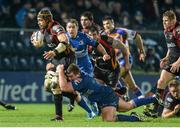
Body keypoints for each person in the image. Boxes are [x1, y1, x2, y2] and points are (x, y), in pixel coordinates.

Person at [58, 64, 163, 122]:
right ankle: (154, 99)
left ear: (77, 74)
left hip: (105, 97)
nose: (70, 78)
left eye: (71, 76)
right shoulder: (80, 76)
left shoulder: (80, 81)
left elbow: (63, 87)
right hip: (106, 94)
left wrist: (59, 70)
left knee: (108, 120)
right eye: (69, 77)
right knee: (128, 106)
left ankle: (135, 118)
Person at [31, 7, 77, 121]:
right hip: (56, 58)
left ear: (47, 19)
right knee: (47, 86)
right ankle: (73, 96)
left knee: (55, 84)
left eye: (40, 20)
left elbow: (65, 41)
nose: (39, 22)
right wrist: (36, 42)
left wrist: (54, 52)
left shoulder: (56, 28)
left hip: (66, 57)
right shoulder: (43, 31)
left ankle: (59, 116)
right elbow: (39, 41)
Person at [66, 18, 110, 116]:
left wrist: (105, 53)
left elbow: (97, 44)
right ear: (66, 29)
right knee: (74, 89)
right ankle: (87, 107)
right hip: (72, 67)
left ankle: (97, 105)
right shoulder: (64, 38)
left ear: (77, 28)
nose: (71, 29)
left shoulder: (84, 37)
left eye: (73, 27)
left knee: (87, 89)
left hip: (85, 66)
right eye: (69, 27)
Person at [102, 16, 146, 98]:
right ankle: (145, 103)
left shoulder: (121, 31)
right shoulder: (103, 35)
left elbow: (137, 36)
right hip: (113, 63)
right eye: (104, 24)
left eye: (108, 23)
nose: (106, 25)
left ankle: (120, 98)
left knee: (112, 80)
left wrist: (142, 51)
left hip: (124, 60)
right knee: (133, 87)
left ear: (113, 23)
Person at [146, 10, 180, 117]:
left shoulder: (178, 31)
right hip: (172, 62)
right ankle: (155, 108)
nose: (164, 23)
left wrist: (178, 62)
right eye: (163, 21)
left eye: (166, 21)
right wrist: (166, 57)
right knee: (161, 82)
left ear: (173, 20)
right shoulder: (167, 31)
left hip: (178, 62)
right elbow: (171, 47)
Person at [88, 26, 130, 94]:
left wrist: (127, 63)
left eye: (94, 34)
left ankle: (117, 92)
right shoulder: (87, 43)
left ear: (99, 35)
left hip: (112, 70)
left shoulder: (107, 40)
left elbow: (124, 48)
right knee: (96, 89)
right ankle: (116, 90)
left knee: (109, 93)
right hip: (99, 70)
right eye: (90, 35)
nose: (92, 37)